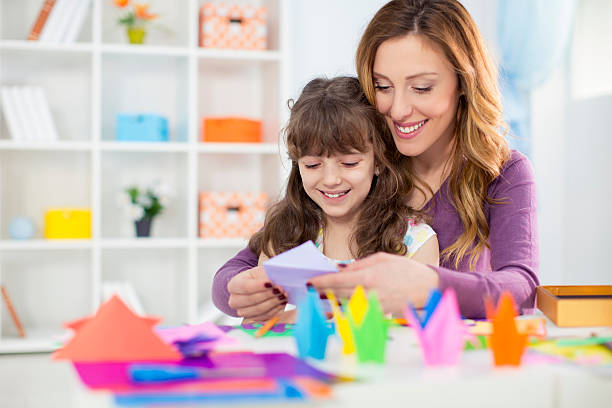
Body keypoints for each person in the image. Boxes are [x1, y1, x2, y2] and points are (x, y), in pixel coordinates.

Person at [213, 0, 539, 319]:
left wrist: (429, 285)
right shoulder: (360, 158)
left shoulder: (502, 171)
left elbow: (522, 289)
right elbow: (243, 267)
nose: (397, 110)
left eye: (422, 88)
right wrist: (238, 291)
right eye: (383, 86)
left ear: (463, 84)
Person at [216, 76, 438, 323]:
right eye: (312, 165)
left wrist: (302, 316)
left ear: (378, 161)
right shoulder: (286, 231)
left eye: (349, 163)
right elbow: (257, 324)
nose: (330, 179)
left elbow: (418, 329)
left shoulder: (415, 241)